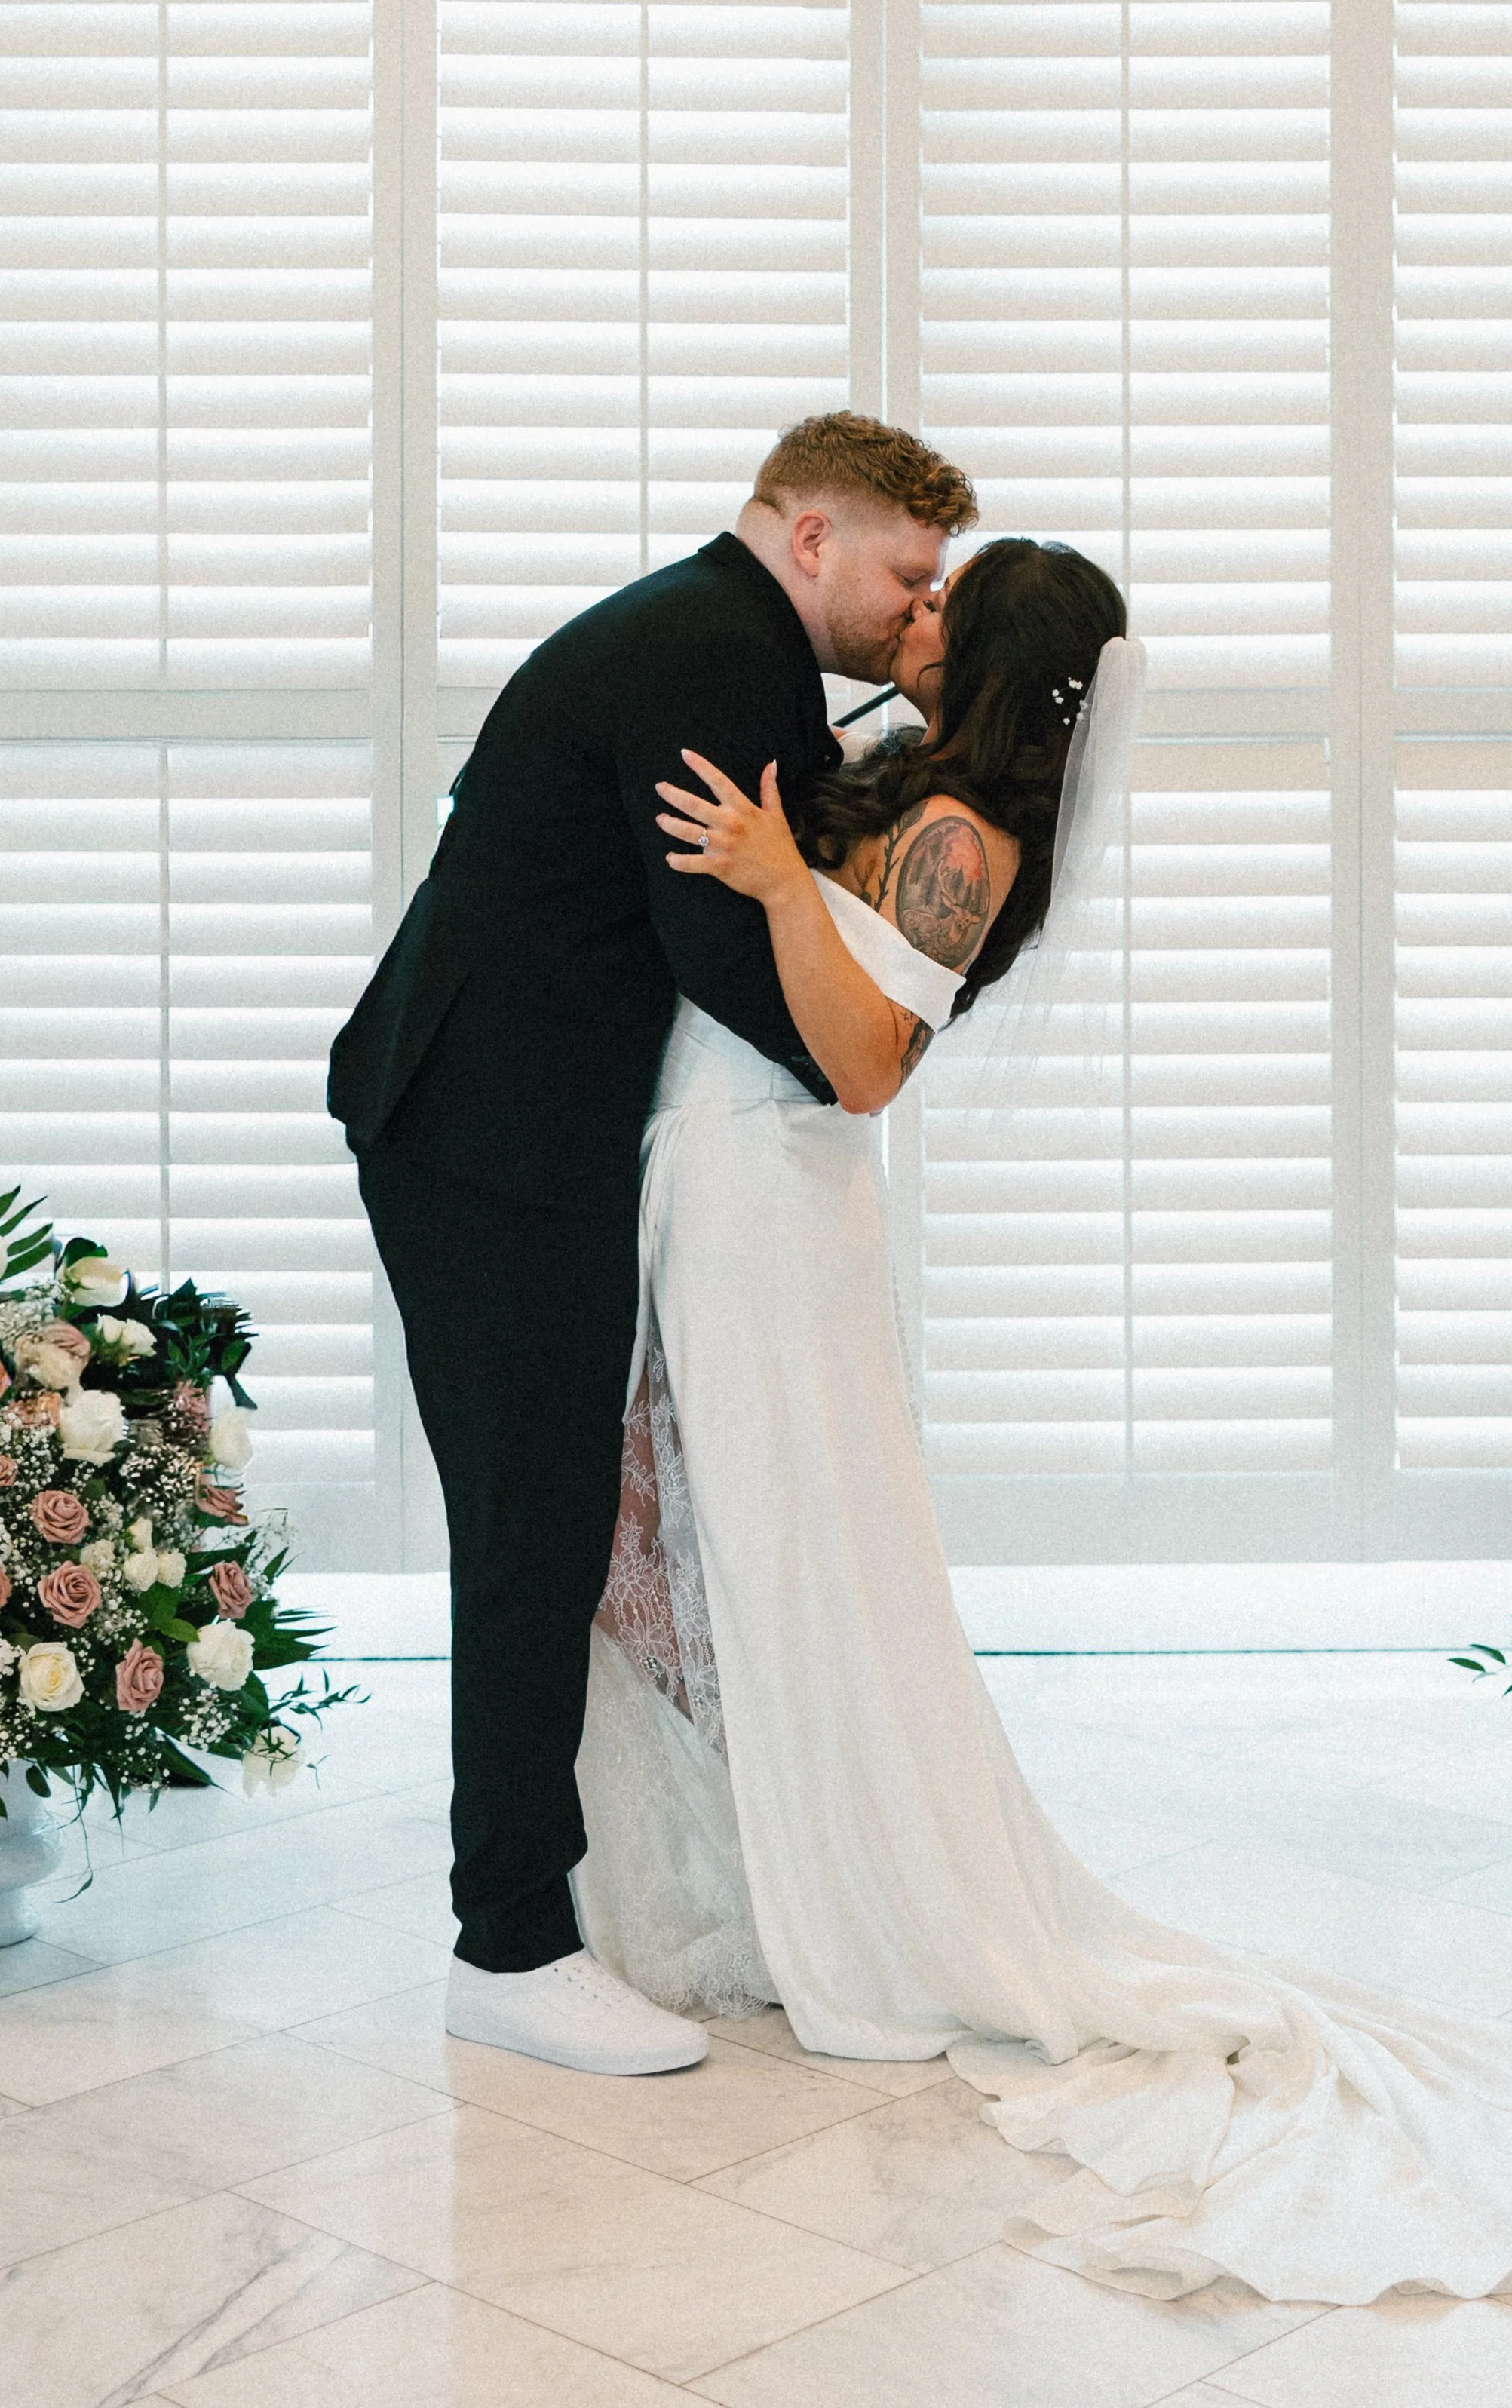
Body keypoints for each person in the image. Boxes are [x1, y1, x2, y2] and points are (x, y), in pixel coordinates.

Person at [571, 538, 1512, 2305]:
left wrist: (766, 878)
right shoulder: (910, 782)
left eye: (942, 608)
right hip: (720, 1183)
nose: (913, 619)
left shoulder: (966, 841)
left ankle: (853, 1896)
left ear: (993, 656)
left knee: (775, 1549)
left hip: (775, 1199)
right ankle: (749, 1874)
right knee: (689, 1540)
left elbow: (864, 1064)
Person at [327, 413, 978, 2075]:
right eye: (907, 579)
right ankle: (507, 1945)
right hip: (486, 1138)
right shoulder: (717, 651)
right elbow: (718, 942)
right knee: (534, 1533)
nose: (916, 612)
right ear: (811, 537)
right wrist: (863, 1059)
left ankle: (554, 1910)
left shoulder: (712, 631)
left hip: (510, 1128)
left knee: (550, 1523)